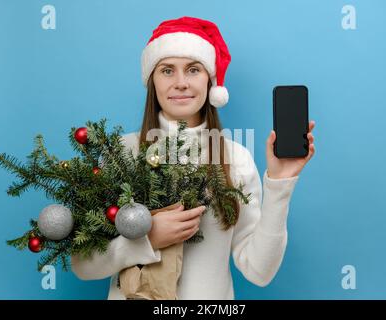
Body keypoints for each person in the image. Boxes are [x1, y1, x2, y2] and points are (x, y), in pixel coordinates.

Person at [71, 16, 316, 300]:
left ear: (210, 80)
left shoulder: (236, 157)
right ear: (152, 80)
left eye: (193, 69)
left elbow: (259, 272)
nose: (181, 83)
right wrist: (147, 239)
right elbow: (83, 264)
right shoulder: (121, 152)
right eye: (167, 71)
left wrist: (280, 183)